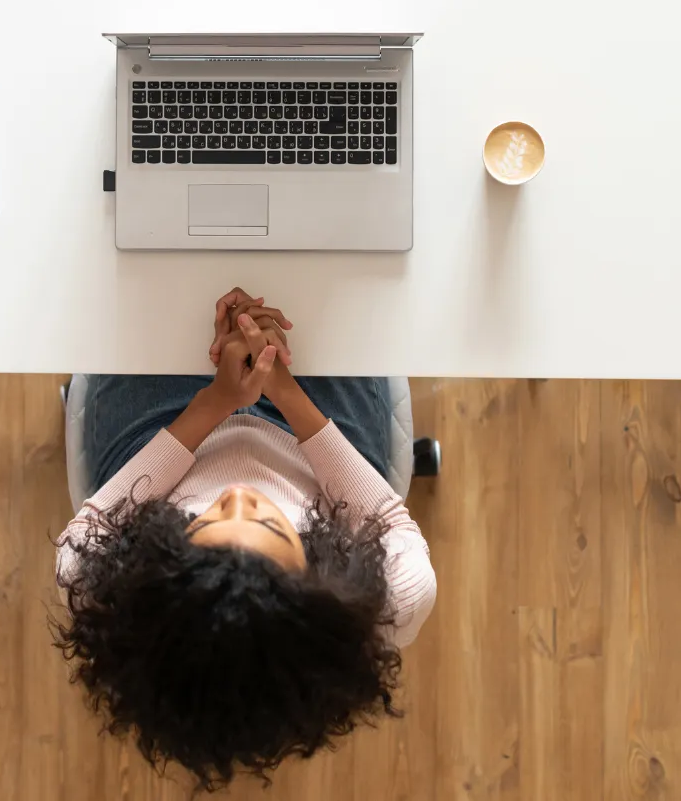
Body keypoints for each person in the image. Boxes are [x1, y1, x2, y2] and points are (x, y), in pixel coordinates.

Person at [52, 288, 436, 790]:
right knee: (342, 287)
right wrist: (284, 391)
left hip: (164, 430)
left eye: (205, 523)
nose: (236, 495)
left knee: (130, 282)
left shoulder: (109, 592)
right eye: (272, 525)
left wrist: (216, 402)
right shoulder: (386, 604)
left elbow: (91, 525)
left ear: (166, 562)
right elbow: (388, 515)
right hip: (318, 433)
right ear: (312, 587)